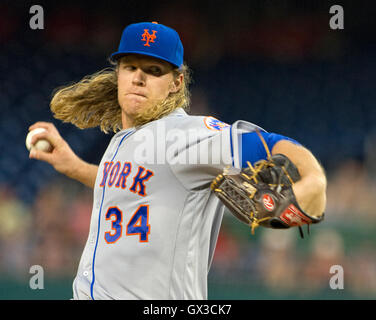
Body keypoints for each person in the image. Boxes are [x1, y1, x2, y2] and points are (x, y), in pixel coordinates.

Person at [28, 22, 326, 300]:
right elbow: (143, 187)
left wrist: (314, 178)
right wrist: (74, 167)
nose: (139, 77)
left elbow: (271, 144)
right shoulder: (128, 138)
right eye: (130, 66)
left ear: (176, 82)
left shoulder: (184, 133)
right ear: (117, 73)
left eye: (154, 69)